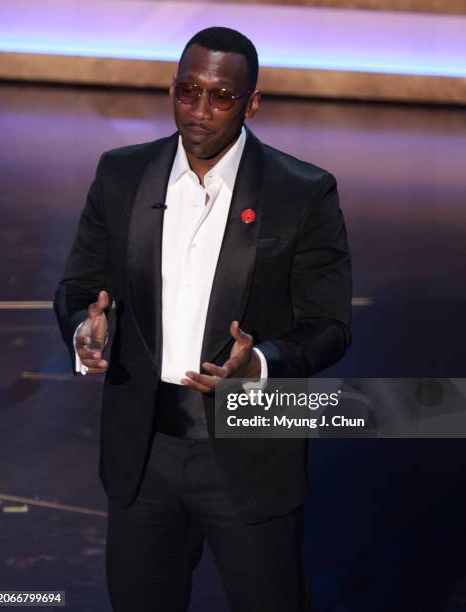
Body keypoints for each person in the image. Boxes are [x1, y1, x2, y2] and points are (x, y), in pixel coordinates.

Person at [54, 26, 351, 612]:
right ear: (172, 90)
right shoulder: (120, 175)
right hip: (144, 454)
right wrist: (84, 329)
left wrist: (261, 362)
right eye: (188, 91)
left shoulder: (303, 192)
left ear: (251, 102)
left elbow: (329, 325)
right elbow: (79, 287)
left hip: (249, 448)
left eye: (220, 96)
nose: (199, 109)